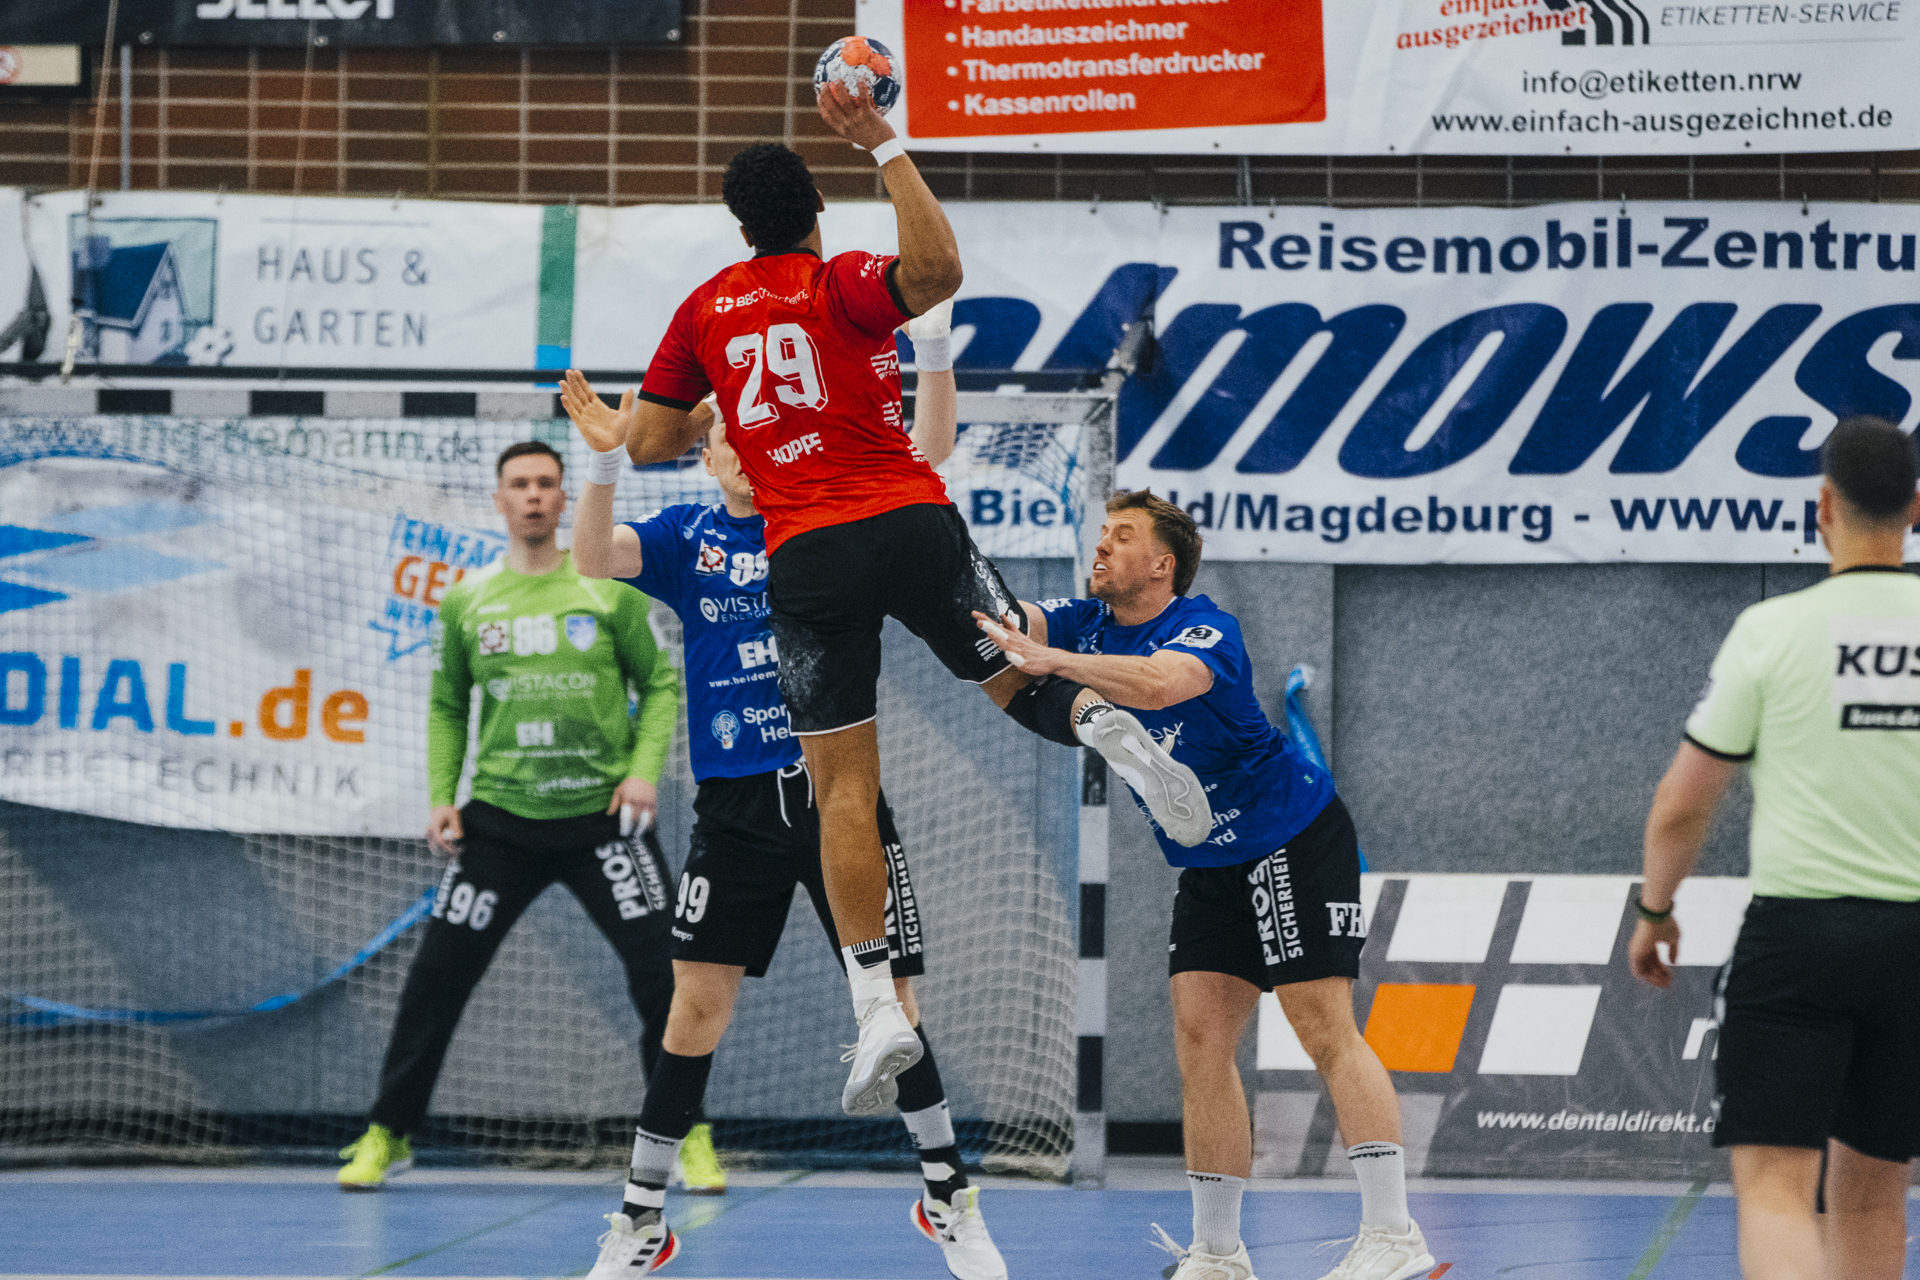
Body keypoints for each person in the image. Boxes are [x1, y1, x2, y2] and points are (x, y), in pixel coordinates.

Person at [561, 79, 1208, 1133]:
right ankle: (1105, 728)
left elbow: (651, 440)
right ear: (816, 210)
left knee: (845, 791)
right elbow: (938, 269)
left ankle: (873, 1007)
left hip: (809, 555)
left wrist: (679, 423)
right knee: (1017, 669)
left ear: (738, 228)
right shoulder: (843, 281)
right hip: (912, 520)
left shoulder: (706, 310)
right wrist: (881, 139)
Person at [563, 331, 1007, 1279]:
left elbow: (927, 454)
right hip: (734, 809)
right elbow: (592, 557)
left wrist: (932, 350)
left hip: (836, 794)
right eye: (723, 436)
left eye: (752, 434)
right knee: (694, 1009)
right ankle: (641, 1220)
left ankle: (947, 1199)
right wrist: (603, 461)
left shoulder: (831, 524)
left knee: (895, 1006)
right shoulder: (687, 537)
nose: (740, 449)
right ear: (708, 453)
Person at [976, 491, 1433, 1280]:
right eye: (1102, 533)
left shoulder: (1205, 627)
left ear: (1162, 565)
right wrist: (933, 573)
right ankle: (1219, 1254)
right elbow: (1006, 622)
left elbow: (1159, 685)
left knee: (1323, 1028)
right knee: (1199, 1042)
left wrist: (1056, 664)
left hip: (1290, 835)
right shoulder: (1084, 621)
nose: (1101, 547)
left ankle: (1394, 1235)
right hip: (1208, 860)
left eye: (1122, 536)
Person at [335, 441, 702, 1193]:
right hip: (501, 824)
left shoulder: (608, 589)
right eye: (519, 484)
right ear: (499, 499)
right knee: (435, 980)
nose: (533, 495)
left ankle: (686, 1136)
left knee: (664, 980)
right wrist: (443, 796)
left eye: (546, 483)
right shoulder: (468, 599)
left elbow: (662, 686)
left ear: (564, 498)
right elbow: (447, 703)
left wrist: (642, 773)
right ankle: (388, 1133)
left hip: (603, 824)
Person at [1628, 415, 1920, 1280]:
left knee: (1775, 1188)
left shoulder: (1771, 629)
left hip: (1800, 941)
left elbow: (1683, 802)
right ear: (1915, 507)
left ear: (1823, 506)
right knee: (1875, 1191)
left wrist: (1655, 909)